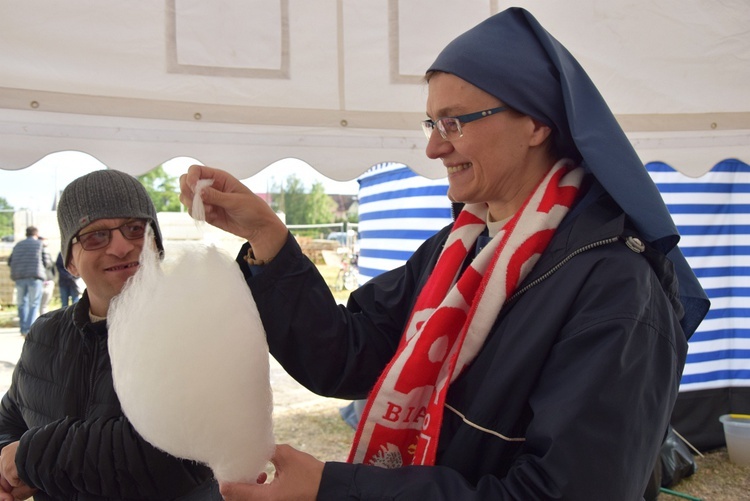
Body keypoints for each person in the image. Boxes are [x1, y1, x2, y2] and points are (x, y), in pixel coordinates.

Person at [180, 8, 710, 500]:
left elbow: (564, 491)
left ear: (536, 123)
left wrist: (335, 489)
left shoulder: (615, 285)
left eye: (455, 122)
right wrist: (270, 237)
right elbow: (347, 353)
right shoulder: (460, 247)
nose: (434, 147)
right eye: (431, 124)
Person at [0, 170, 221, 500]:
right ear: (70, 262)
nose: (121, 247)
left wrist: (31, 458)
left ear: (156, 245)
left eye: (136, 229)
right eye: (95, 236)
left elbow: (173, 457)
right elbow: (12, 418)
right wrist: (7, 471)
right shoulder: (45, 333)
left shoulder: (194, 328)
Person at [7, 226, 51, 336]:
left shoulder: (18, 245)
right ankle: (29, 329)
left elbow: (10, 261)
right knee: (34, 303)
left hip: (19, 277)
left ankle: (23, 328)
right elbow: (47, 262)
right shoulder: (40, 244)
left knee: (22, 303)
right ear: (36, 234)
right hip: (35, 276)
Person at [38, 238, 56, 315]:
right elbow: (48, 264)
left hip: (44, 280)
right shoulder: (44, 251)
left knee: (38, 304)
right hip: (46, 280)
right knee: (44, 305)